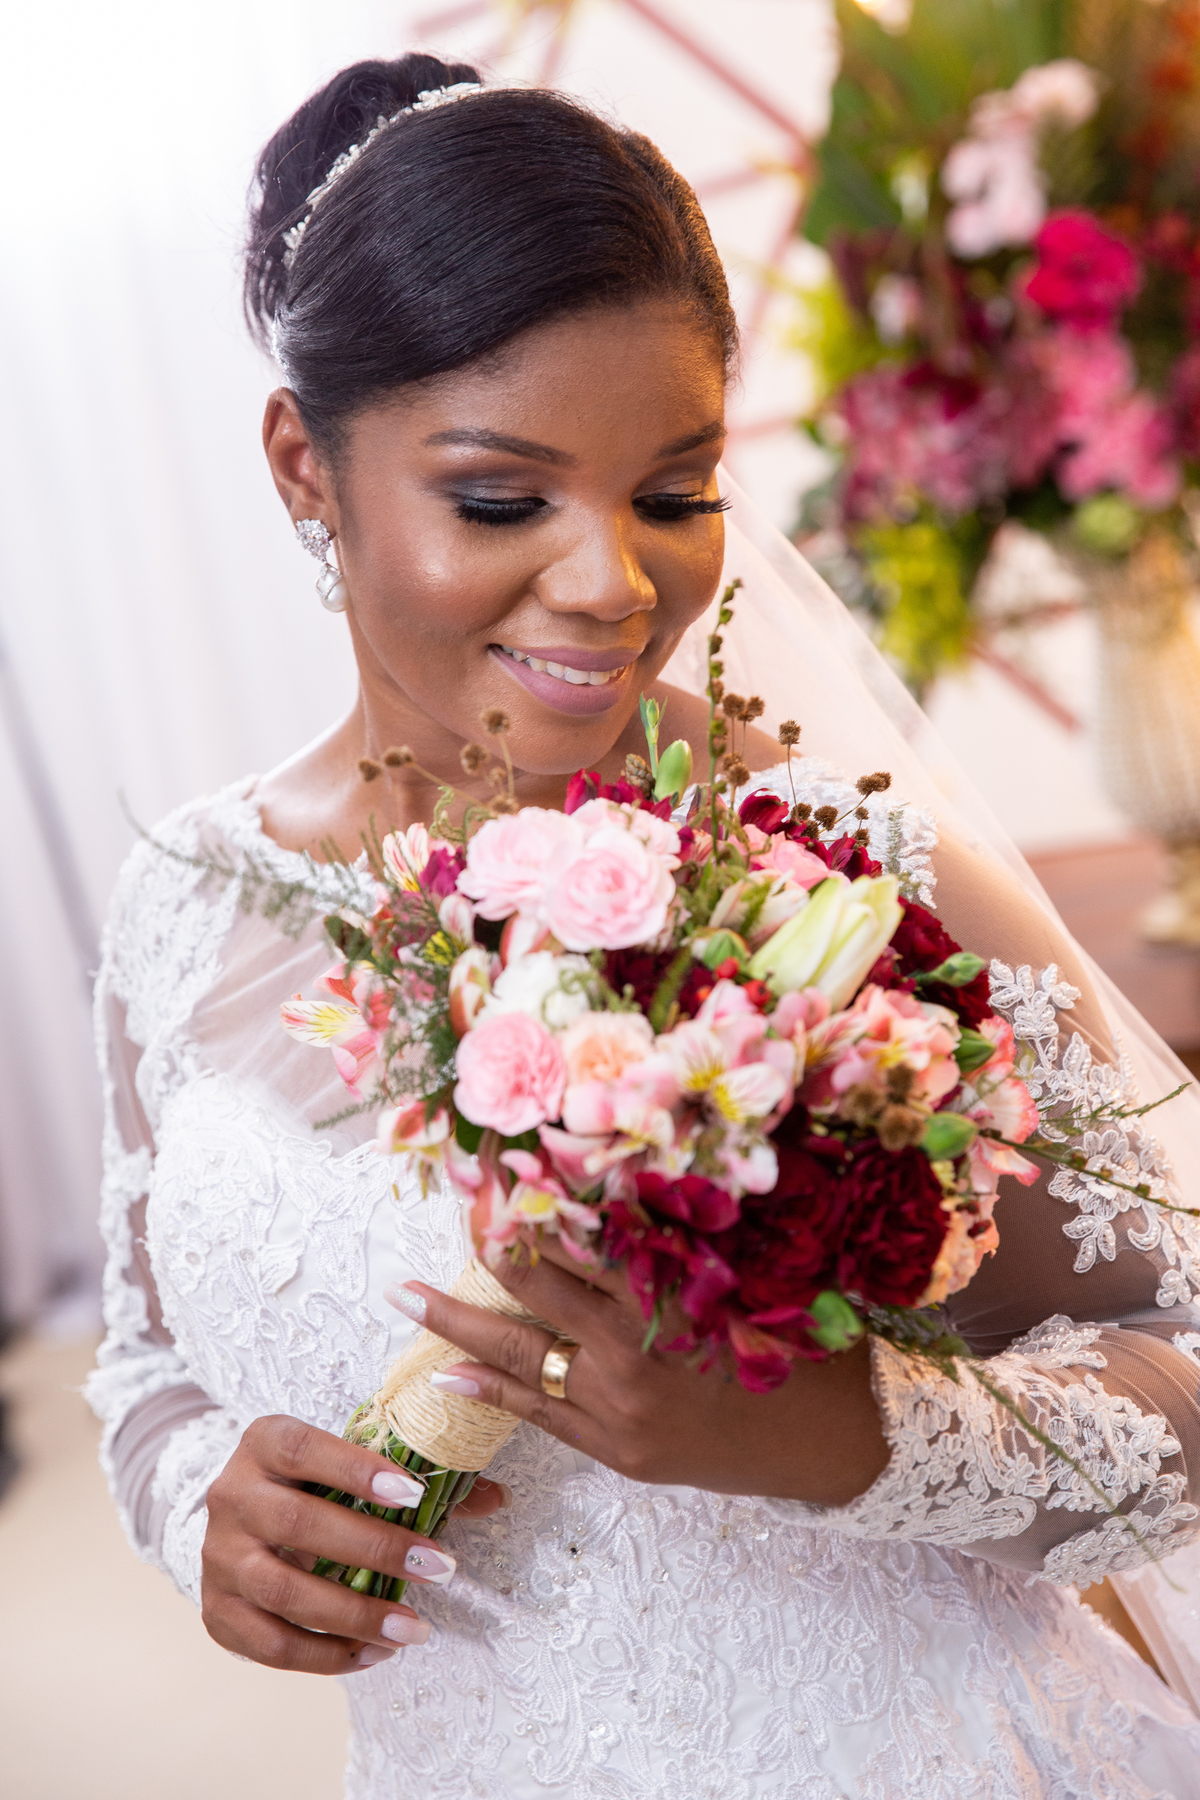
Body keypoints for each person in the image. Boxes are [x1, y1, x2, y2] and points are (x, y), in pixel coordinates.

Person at [89, 53, 1200, 1797]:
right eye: (500, 498)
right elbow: (146, 1356)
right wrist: (199, 1502)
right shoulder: (187, 906)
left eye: (674, 492)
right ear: (309, 467)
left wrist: (849, 1441)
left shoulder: (845, 879)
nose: (615, 582)